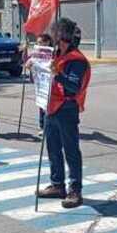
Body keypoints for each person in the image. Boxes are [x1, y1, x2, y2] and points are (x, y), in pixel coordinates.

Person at [36, 18, 92, 209]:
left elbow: (74, 86)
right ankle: (57, 184)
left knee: (71, 150)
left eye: (54, 34)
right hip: (50, 106)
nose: (51, 38)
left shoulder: (76, 60)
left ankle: (75, 190)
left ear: (61, 36)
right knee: (53, 148)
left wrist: (57, 74)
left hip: (66, 108)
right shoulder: (55, 55)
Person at [24, 33, 54, 138]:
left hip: (51, 83)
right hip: (39, 82)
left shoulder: (53, 53)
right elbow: (27, 63)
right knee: (41, 104)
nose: (39, 44)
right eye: (38, 42)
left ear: (48, 42)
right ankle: (42, 126)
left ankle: (50, 126)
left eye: (41, 42)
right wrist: (29, 64)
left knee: (49, 105)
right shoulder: (35, 53)